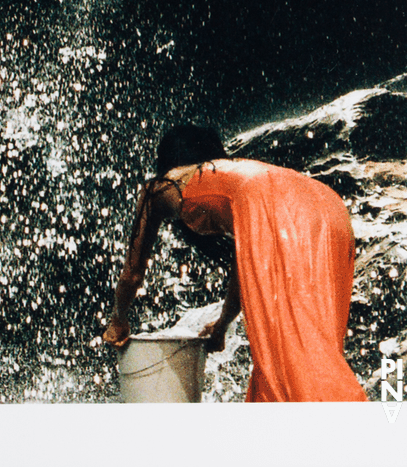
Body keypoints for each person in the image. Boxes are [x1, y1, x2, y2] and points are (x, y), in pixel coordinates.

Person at [102, 125, 366, 402]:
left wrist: (118, 320)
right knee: (307, 346)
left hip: (273, 205)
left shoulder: (162, 185)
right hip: (330, 208)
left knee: (293, 358)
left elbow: (132, 273)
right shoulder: (235, 171)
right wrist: (222, 324)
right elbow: (249, 264)